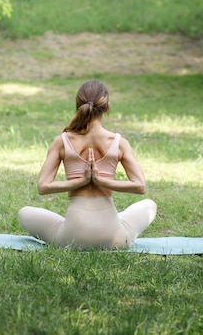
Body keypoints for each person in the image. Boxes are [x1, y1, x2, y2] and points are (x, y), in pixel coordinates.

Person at [18, 79, 157, 249]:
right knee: (149, 205)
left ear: (78, 105)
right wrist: (101, 182)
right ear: (107, 107)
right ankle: (114, 221)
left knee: (24, 213)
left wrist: (80, 182)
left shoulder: (61, 142)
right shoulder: (119, 143)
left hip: (71, 239)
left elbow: (43, 187)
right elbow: (140, 186)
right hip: (115, 239)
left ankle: (81, 226)